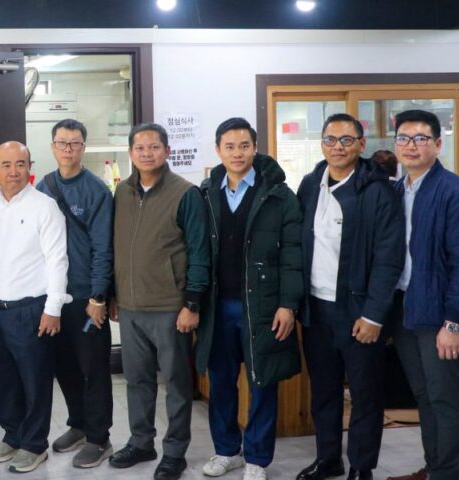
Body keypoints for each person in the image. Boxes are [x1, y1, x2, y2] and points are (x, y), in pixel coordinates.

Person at [295, 113, 404, 480]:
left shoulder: (377, 190)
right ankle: (328, 459)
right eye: (330, 139)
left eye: (346, 140)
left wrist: (374, 315)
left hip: (358, 310)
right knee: (324, 391)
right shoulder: (311, 184)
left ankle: (361, 466)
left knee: (364, 393)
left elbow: (389, 258)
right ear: (321, 143)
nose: (337, 147)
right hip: (316, 309)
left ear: (361, 144)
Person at [195, 118, 303, 480]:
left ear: (255, 148)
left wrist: (288, 304)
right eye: (229, 146)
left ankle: (257, 457)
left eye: (244, 145)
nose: (237, 153)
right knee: (221, 382)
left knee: (262, 382)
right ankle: (227, 451)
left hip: (264, 306)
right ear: (218, 150)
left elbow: (293, 254)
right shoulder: (206, 193)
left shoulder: (278, 195)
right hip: (218, 307)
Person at [109, 122, 210, 480]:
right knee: (137, 381)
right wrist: (114, 295)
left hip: (171, 308)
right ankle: (141, 442)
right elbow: (117, 247)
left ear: (167, 151)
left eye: (154, 147)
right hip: (130, 307)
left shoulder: (185, 193)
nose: (147, 153)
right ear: (131, 153)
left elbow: (200, 252)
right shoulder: (122, 192)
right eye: (140, 148)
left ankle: (175, 452)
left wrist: (192, 304)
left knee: (177, 385)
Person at [0, 141, 70, 474]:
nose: (13, 171)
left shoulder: (44, 206)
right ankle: (13, 435)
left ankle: (34, 444)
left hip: (32, 309)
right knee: (3, 379)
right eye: (6, 165)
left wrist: (53, 308)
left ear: (29, 167)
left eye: (20, 164)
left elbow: (58, 259)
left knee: (35, 381)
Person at [387, 109, 459, 480]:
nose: (411, 146)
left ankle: (446, 473)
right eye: (403, 138)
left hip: (439, 314)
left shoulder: (454, 191)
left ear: (437, 144)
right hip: (404, 308)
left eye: (420, 138)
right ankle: (433, 467)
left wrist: (454, 322)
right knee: (423, 395)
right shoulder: (395, 190)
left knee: (444, 397)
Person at [34, 119, 115, 469]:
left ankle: (99, 438)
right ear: (52, 146)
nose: (68, 149)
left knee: (93, 370)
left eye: (75, 143)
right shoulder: (43, 187)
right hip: (54, 297)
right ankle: (79, 425)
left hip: (85, 298)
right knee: (64, 366)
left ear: (83, 147)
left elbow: (103, 248)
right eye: (62, 142)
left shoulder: (97, 191)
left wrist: (98, 297)